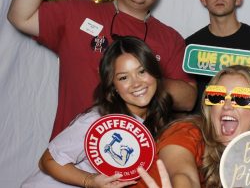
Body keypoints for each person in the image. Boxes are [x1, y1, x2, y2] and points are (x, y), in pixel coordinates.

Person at [7, 0, 196, 139]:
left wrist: (140, 79)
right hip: (70, 153)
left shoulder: (169, 38)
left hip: (135, 154)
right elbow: (20, 17)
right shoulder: (78, 14)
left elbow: (188, 99)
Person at [21, 36, 173, 187]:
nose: (136, 83)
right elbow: (47, 161)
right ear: (113, 86)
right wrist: (89, 181)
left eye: (142, 71)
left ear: (154, 72)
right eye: (124, 77)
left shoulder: (155, 121)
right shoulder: (96, 121)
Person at [156, 65, 250, 188]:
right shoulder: (186, 131)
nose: (227, 106)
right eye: (217, 96)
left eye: (242, 99)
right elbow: (182, 175)